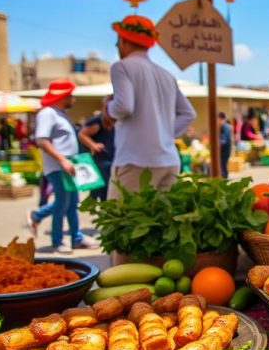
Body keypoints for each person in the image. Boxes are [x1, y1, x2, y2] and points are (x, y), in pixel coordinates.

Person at [103, 15, 196, 197]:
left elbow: (123, 106)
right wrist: (163, 133)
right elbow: (188, 114)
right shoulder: (166, 75)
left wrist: (107, 107)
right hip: (168, 161)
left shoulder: (122, 67)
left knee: (119, 221)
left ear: (123, 41)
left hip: (136, 161)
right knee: (160, 223)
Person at [27, 80, 97, 253]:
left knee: (72, 202)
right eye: (71, 96)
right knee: (62, 202)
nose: (73, 99)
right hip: (58, 167)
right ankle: (55, 239)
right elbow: (41, 140)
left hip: (69, 166)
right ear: (63, 97)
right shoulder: (48, 113)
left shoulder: (59, 114)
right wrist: (62, 160)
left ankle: (76, 238)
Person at [78, 110, 115, 200]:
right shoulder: (98, 121)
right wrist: (93, 145)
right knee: (104, 193)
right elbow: (82, 134)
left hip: (114, 160)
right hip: (103, 160)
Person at [218, 112, 233, 178]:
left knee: (223, 165)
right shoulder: (223, 126)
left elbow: (224, 140)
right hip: (224, 150)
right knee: (223, 165)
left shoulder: (225, 127)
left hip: (225, 150)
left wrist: (217, 144)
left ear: (221, 119)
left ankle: (224, 179)